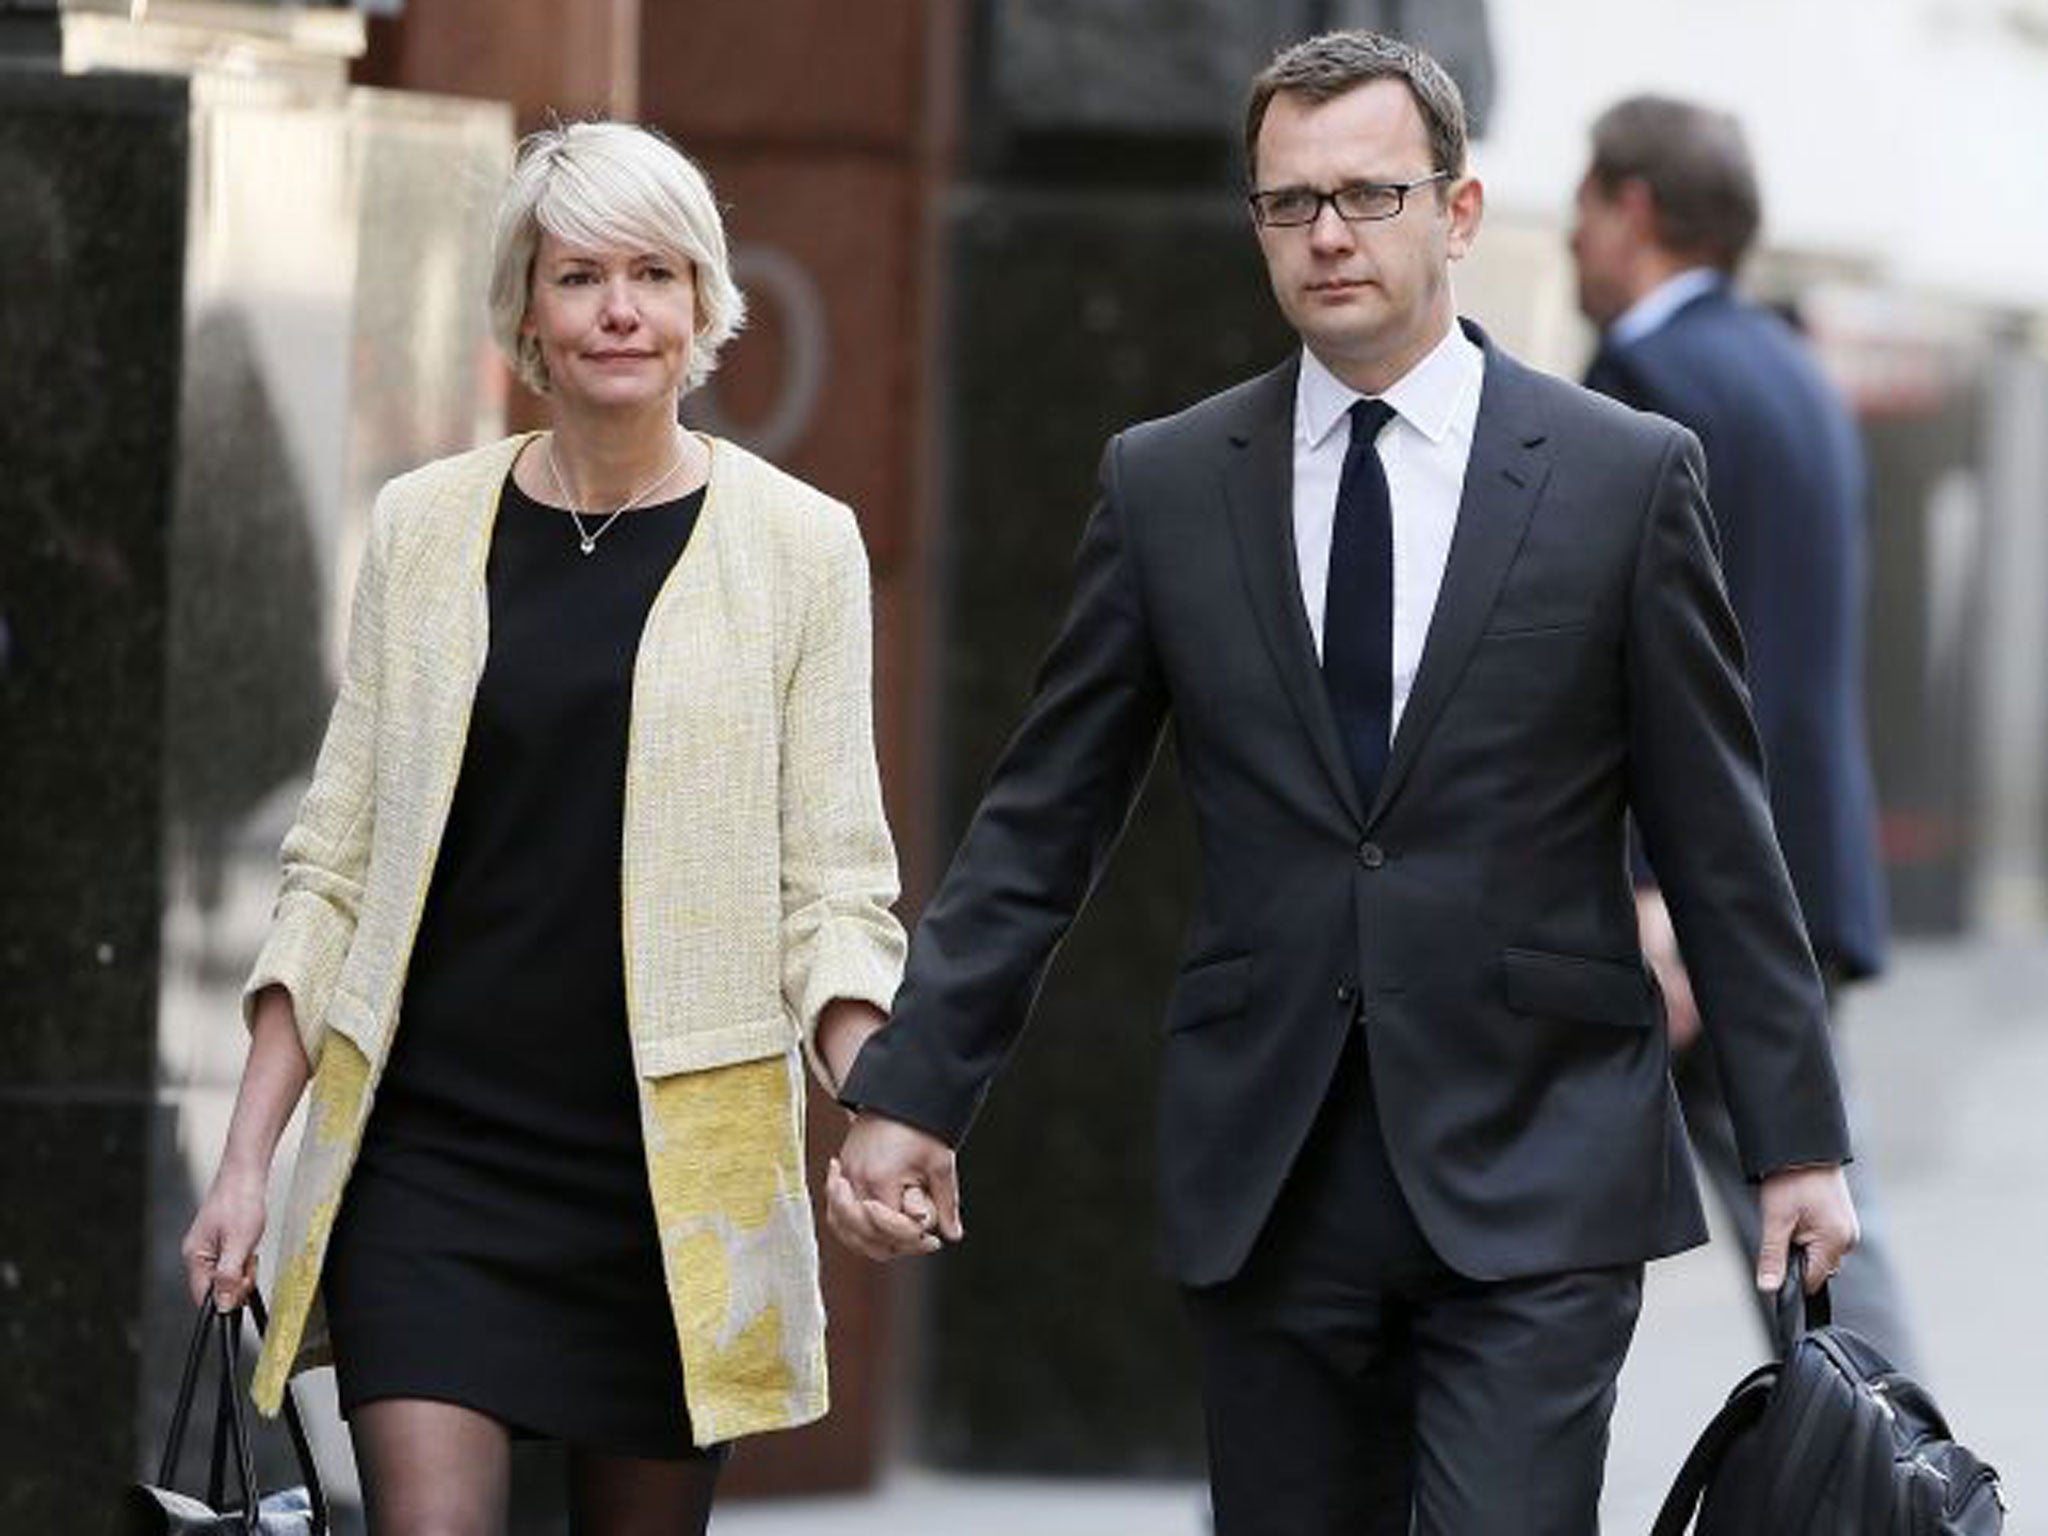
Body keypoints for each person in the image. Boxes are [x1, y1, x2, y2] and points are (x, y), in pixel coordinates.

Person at [821, 30, 1859, 1536]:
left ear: (1457, 211)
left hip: (1536, 1153)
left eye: (1369, 195)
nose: (1326, 236)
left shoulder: (1622, 476)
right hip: (1274, 1167)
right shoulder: (1169, 483)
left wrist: (1797, 1141)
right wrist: (916, 1089)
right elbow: (1046, 815)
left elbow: (1720, 833)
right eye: (1288, 204)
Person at [181, 122, 905, 1536]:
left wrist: (880, 1100)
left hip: (662, 1198)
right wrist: (245, 1162)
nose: (620, 309)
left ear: (703, 302)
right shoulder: (424, 530)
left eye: (654, 272)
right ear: (527, 310)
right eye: (581, 277)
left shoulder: (800, 548)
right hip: (430, 1161)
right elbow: (332, 865)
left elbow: (832, 889)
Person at [1572, 94, 1918, 1371]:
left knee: (1798, 1234)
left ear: (1635, 210)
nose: (1572, 244)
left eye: (1585, 207)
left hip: (1692, 906)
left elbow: (1686, 660)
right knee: (1818, 1222)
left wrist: (1656, 886)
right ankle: (1907, 1485)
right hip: (1793, 871)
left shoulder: (1649, 381)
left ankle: (1900, 1489)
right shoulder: (1792, 373)